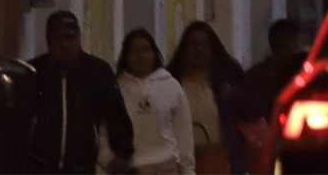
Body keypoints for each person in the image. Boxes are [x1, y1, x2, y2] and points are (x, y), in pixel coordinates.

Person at [24, 9, 133, 174]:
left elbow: (116, 116)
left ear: (79, 39)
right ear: (49, 42)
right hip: (39, 167)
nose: (65, 45)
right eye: (58, 38)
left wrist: (122, 154)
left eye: (70, 38)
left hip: (82, 168)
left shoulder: (97, 70)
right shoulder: (34, 72)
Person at [165, 21, 257, 174]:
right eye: (193, 44)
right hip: (181, 162)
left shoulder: (227, 80)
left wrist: (232, 96)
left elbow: (253, 109)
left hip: (220, 160)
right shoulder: (171, 82)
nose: (198, 49)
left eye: (204, 44)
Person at [116, 28, 193, 174]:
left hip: (166, 168)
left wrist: (188, 170)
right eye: (134, 51)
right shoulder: (116, 89)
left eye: (145, 49)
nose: (140, 56)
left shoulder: (171, 86)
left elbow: (184, 135)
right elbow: (105, 132)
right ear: (125, 56)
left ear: (154, 53)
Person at [250, 18, 311, 116]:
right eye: (303, 43)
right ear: (293, 44)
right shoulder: (300, 78)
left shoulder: (254, 75)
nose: (307, 49)